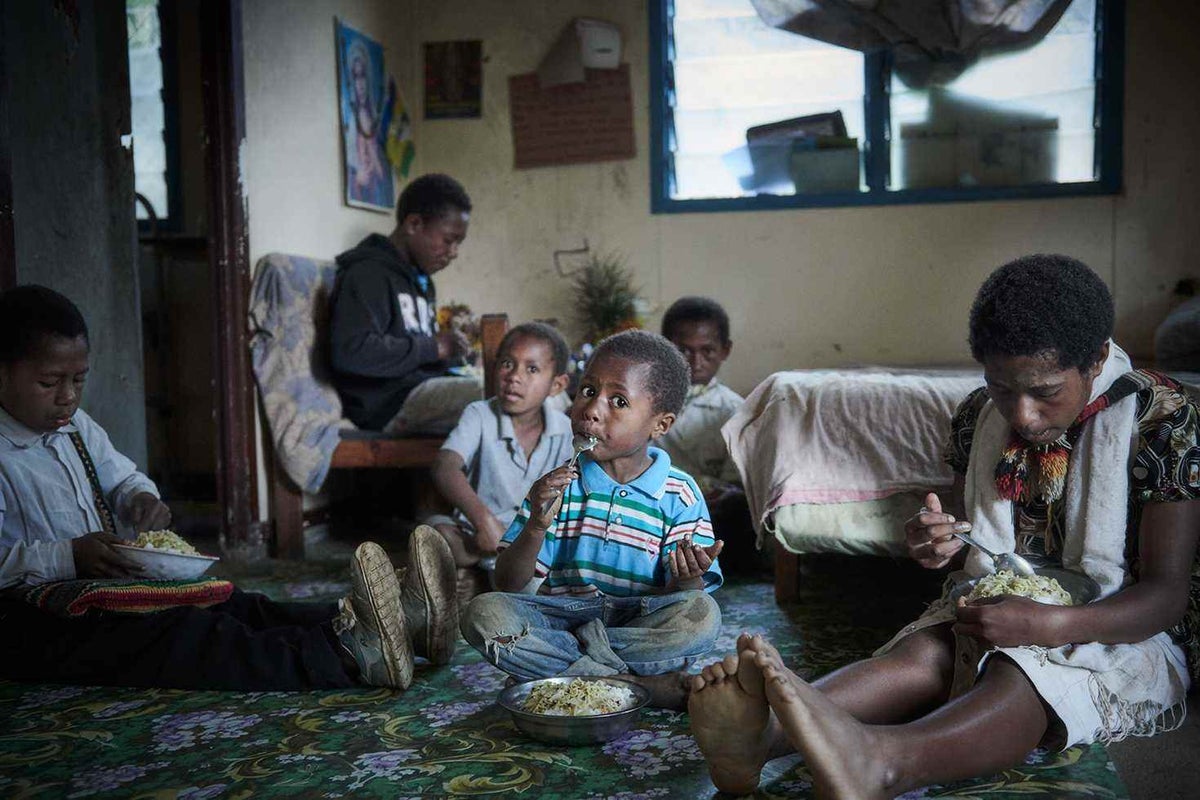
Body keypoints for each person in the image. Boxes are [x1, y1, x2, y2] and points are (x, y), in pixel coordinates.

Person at [688, 254, 1200, 798]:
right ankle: (761, 739)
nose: (1021, 415)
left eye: (1045, 391)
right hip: (1002, 601)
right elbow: (972, 548)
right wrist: (941, 545)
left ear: (1097, 359)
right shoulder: (979, 415)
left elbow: (1166, 598)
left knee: (1021, 673)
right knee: (927, 652)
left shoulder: (1161, 419)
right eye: (1003, 388)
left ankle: (886, 762)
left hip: (1125, 621)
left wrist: (1049, 626)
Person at [0, 285, 457, 691]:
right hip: (35, 623)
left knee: (231, 601)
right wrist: (69, 555)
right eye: (49, 382)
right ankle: (348, 654)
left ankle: (398, 622)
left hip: (99, 592)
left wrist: (138, 497)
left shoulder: (76, 426)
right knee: (185, 635)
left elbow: (121, 475)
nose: (68, 397)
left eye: (78, 380)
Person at [460, 330, 727, 709]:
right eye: (587, 390)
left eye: (618, 401)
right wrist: (535, 526)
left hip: (637, 620)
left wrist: (687, 577)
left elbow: (682, 598)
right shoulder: (558, 485)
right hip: (562, 618)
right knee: (483, 613)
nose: (592, 409)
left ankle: (566, 674)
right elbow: (508, 583)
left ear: (660, 424)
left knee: (702, 615)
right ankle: (633, 685)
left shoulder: (679, 494)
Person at [428, 322, 574, 593]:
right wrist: (483, 520)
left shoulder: (566, 430)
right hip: (478, 539)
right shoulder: (480, 414)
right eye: (507, 363)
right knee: (436, 536)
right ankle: (475, 580)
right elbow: (444, 467)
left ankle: (475, 584)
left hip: (530, 548)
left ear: (557, 384)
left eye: (532, 369)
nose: (514, 377)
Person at [329, 173, 476, 434]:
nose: (453, 253)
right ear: (414, 224)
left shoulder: (421, 280)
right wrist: (435, 347)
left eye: (458, 243)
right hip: (389, 404)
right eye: (448, 240)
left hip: (420, 388)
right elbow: (352, 352)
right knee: (504, 396)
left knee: (524, 388)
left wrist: (453, 356)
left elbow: (419, 354)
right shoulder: (367, 274)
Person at [659, 297, 760, 572]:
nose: (695, 361)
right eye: (683, 351)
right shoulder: (644, 399)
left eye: (707, 351)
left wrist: (728, 495)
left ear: (725, 350)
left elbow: (739, 484)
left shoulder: (735, 410)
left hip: (709, 514)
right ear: (665, 346)